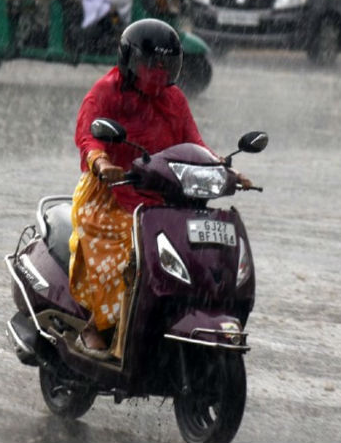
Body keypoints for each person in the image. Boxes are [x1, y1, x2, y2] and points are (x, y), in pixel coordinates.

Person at [68, 19, 252, 359]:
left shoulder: (175, 99)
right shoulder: (105, 92)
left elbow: (194, 143)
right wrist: (102, 163)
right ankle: (97, 326)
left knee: (194, 250)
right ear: (129, 61)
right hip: (110, 197)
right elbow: (87, 136)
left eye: (167, 65)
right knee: (132, 254)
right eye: (151, 64)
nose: (159, 71)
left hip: (163, 199)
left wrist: (226, 169)